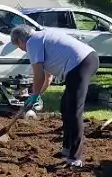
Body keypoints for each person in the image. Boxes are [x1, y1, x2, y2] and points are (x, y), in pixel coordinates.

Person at [9, 25, 98, 167]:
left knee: (74, 111)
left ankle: (75, 158)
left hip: (81, 63)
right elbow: (47, 78)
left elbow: (38, 75)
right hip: (85, 62)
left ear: (21, 40)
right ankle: (67, 148)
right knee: (65, 106)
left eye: (18, 45)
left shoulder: (33, 42)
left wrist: (34, 96)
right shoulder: (42, 38)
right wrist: (36, 96)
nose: (21, 49)